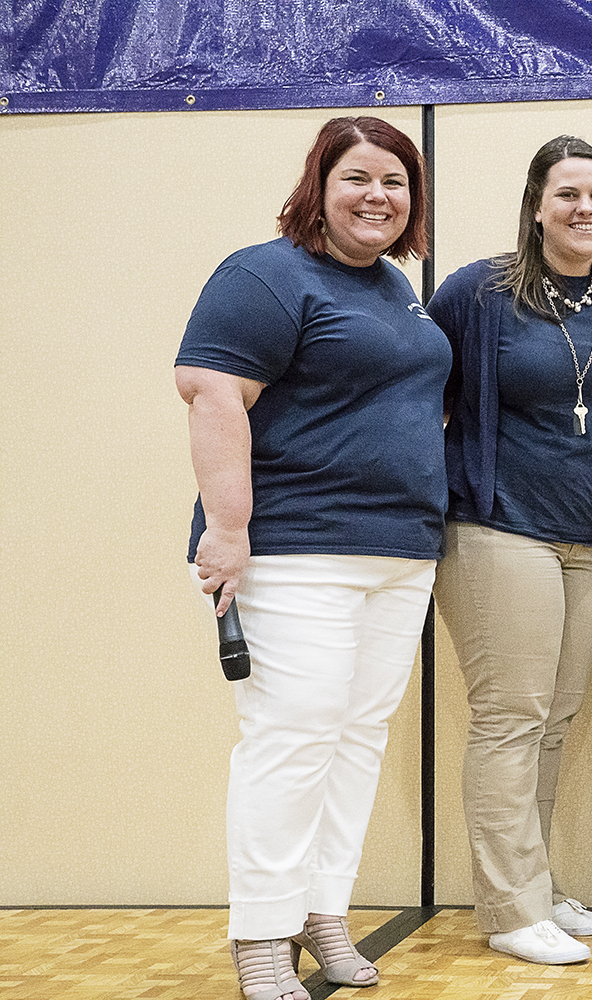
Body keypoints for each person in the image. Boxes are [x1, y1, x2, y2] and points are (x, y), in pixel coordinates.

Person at [176, 116, 447, 1000]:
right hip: (294, 552)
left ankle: (323, 912)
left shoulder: (396, 288)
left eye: (395, 183)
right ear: (318, 187)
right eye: (357, 178)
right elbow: (214, 393)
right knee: (290, 742)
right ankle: (260, 934)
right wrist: (228, 530)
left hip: (400, 552)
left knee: (354, 742)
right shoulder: (264, 274)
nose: (378, 196)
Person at [426, 135, 592, 966]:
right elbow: (417, 389)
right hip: (496, 530)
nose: (585, 209)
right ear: (535, 206)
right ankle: (511, 908)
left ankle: (538, 886)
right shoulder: (479, 293)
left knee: (551, 723)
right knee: (510, 720)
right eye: (567, 195)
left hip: (590, 539)